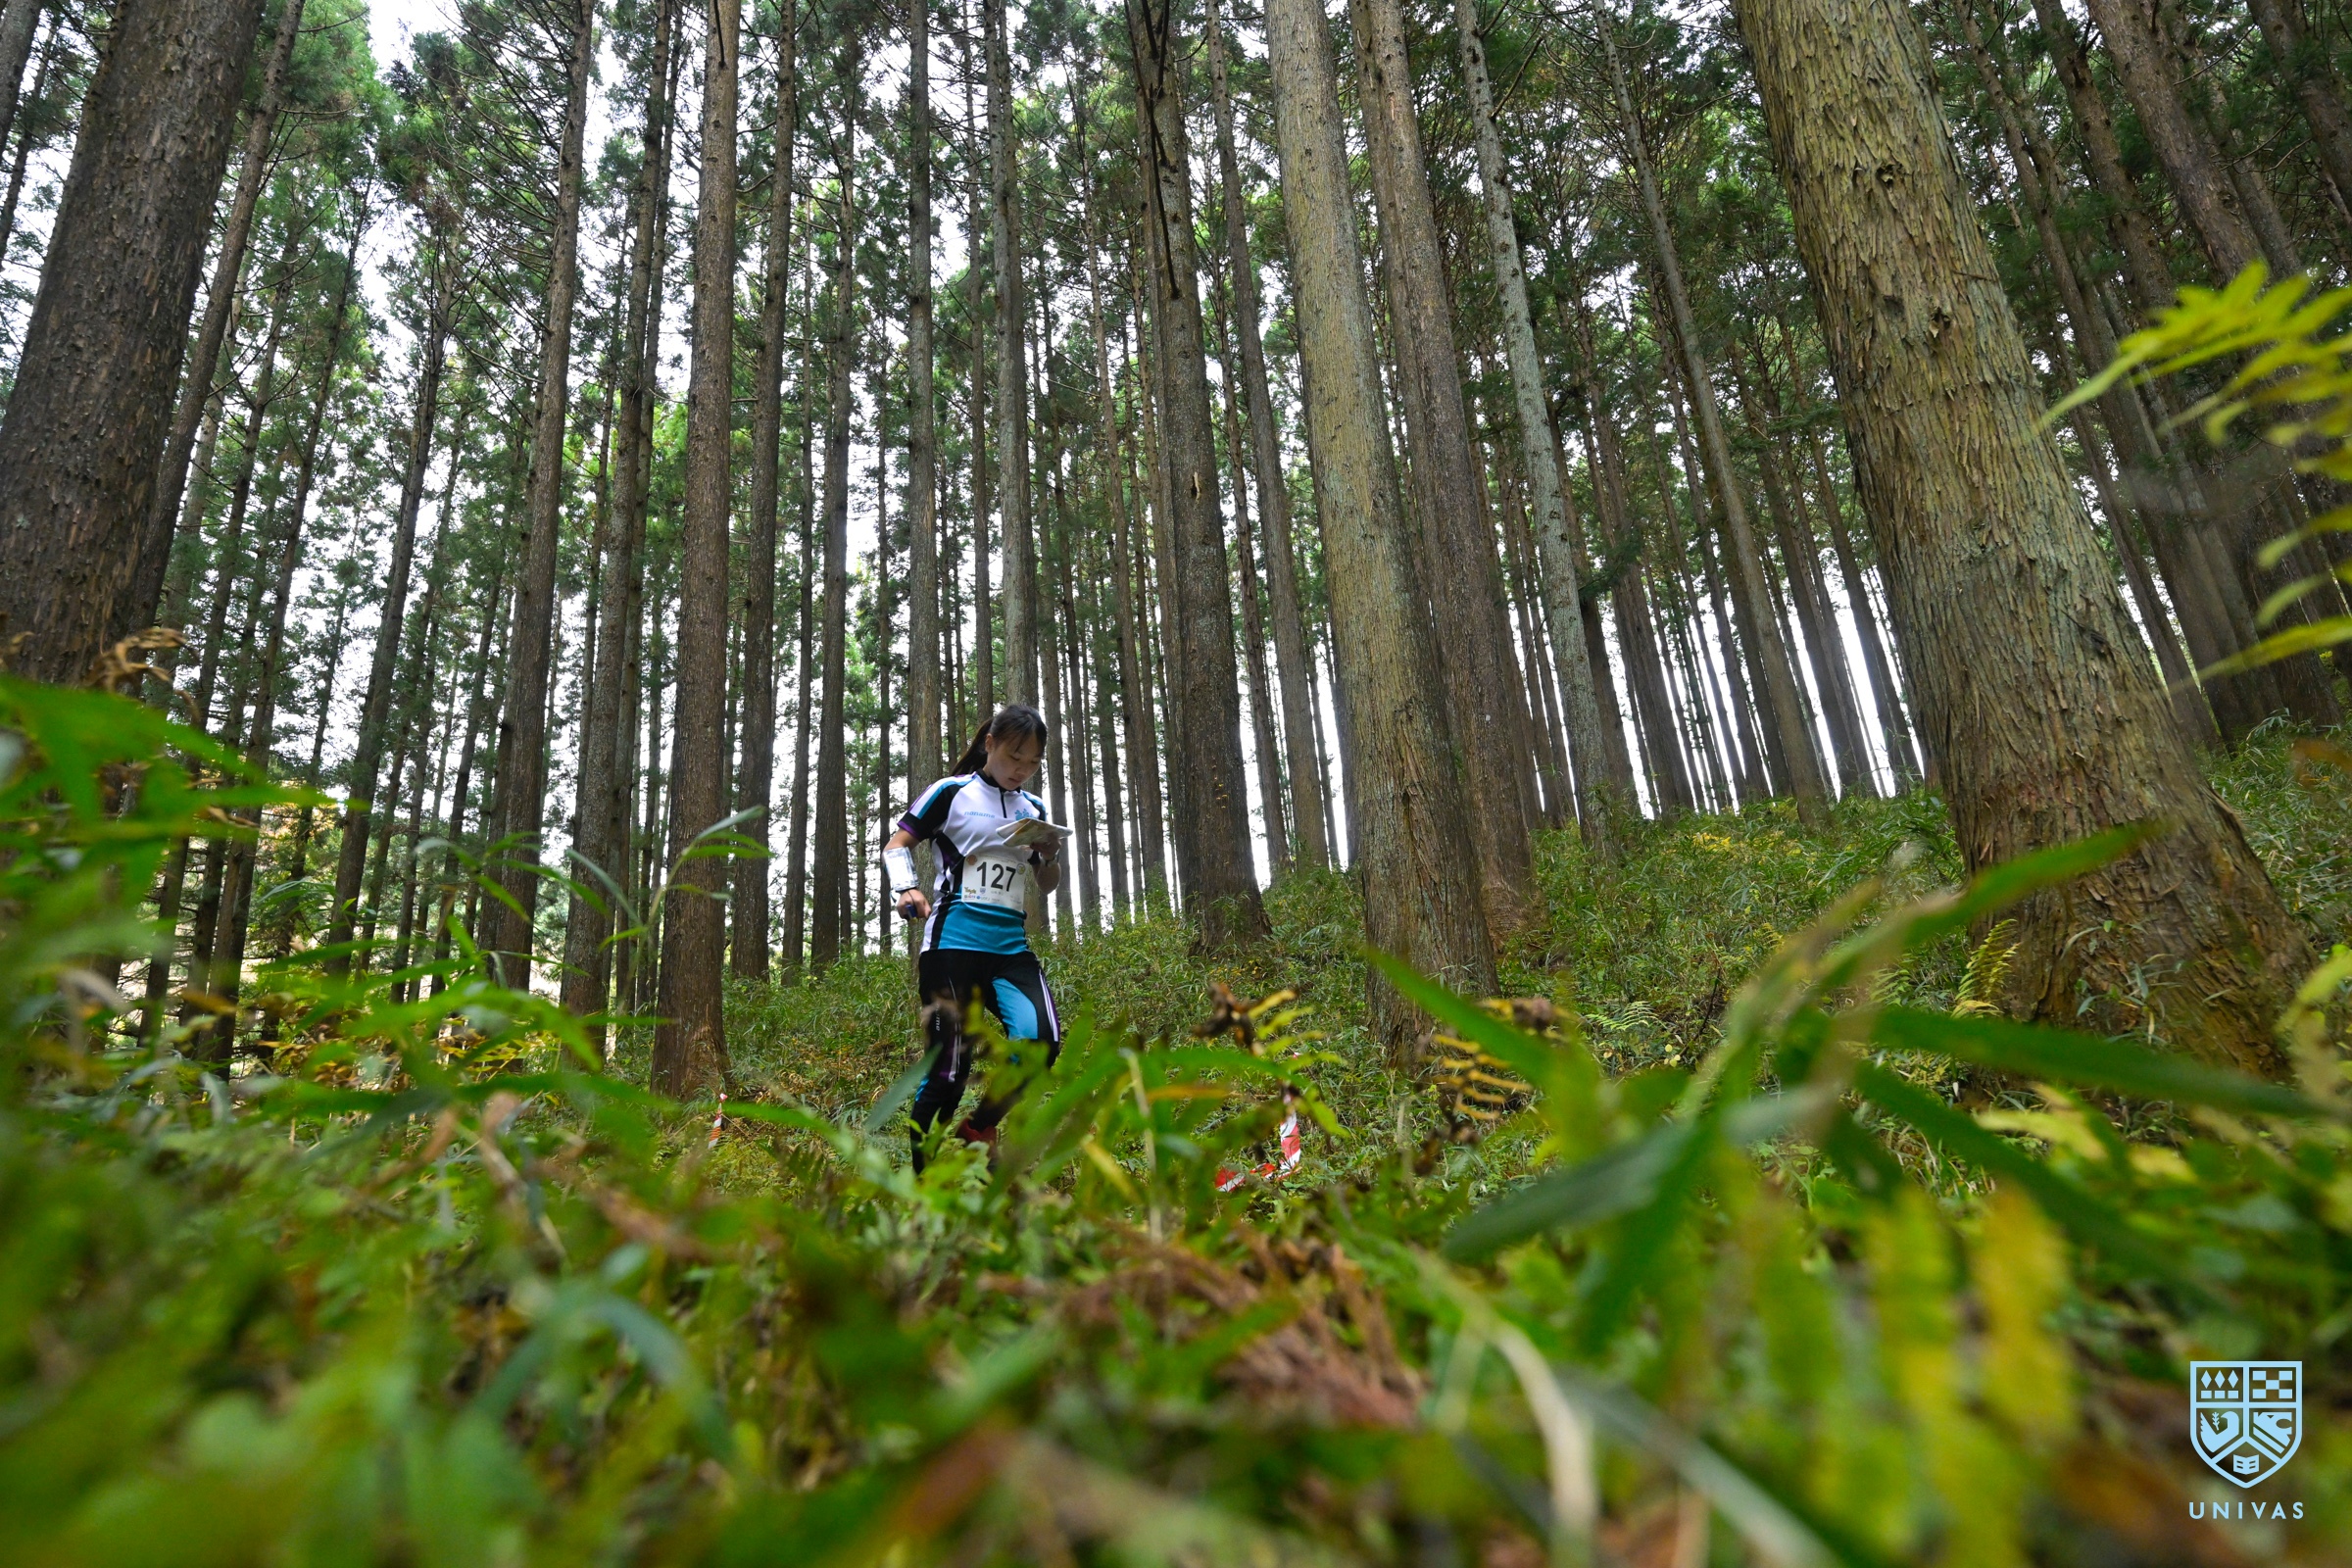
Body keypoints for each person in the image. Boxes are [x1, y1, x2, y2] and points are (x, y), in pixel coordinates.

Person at [882, 703, 1066, 1168]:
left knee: (1042, 1042)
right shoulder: (951, 792)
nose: (1020, 770)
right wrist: (906, 888)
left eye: (1031, 763)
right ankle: (925, 1182)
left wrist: (1050, 855)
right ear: (989, 744)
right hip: (952, 946)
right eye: (1013, 757)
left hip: (1010, 950)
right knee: (949, 1071)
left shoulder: (1033, 809)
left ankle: (978, 1128)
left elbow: (1046, 883)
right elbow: (897, 844)